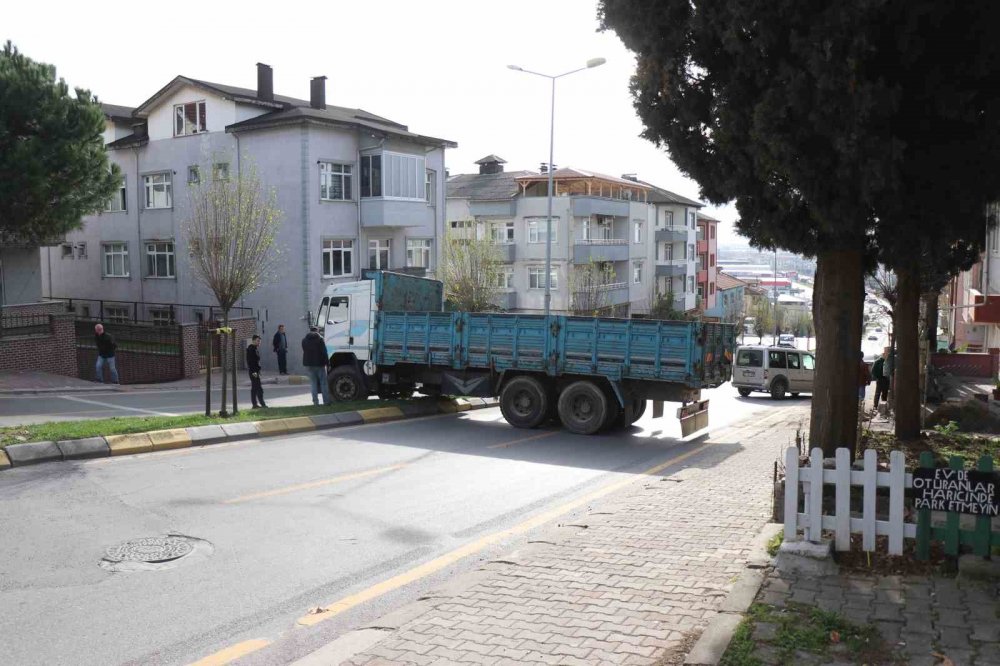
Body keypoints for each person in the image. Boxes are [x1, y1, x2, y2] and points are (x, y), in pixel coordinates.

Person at [302, 326, 331, 406]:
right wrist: (328, 363)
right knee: (323, 383)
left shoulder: (304, 340)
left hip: (309, 364)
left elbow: (304, 350)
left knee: (313, 383)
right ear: (317, 331)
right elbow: (324, 352)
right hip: (320, 364)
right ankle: (326, 402)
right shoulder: (320, 339)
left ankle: (315, 402)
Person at [246, 334, 267, 409]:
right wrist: (255, 372)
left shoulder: (254, 348)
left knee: (255, 387)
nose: (259, 343)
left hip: (255, 371)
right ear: (253, 340)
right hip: (253, 372)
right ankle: (261, 404)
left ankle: (255, 404)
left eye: (260, 341)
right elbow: (251, 362)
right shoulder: (251, 349)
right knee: (258, 388)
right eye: (258, 341)